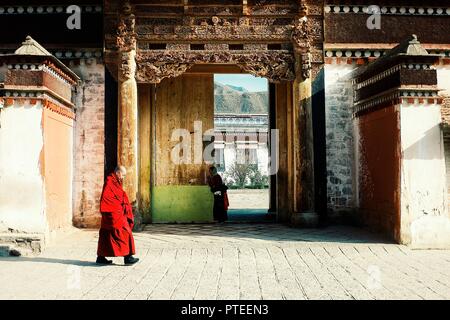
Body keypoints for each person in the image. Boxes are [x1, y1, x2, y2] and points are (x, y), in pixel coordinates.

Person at [96, 166, 139, 265]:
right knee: (125, 231)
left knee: (106, 235)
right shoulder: (109, 182)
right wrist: (118, 209)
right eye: (123, 175)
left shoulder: (115, 182)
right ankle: (128, 258)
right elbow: (106, 199)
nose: (123, 177)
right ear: (117, 173)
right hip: (113, 213)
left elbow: (117, 196)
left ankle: (101, 257)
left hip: (113, 213)